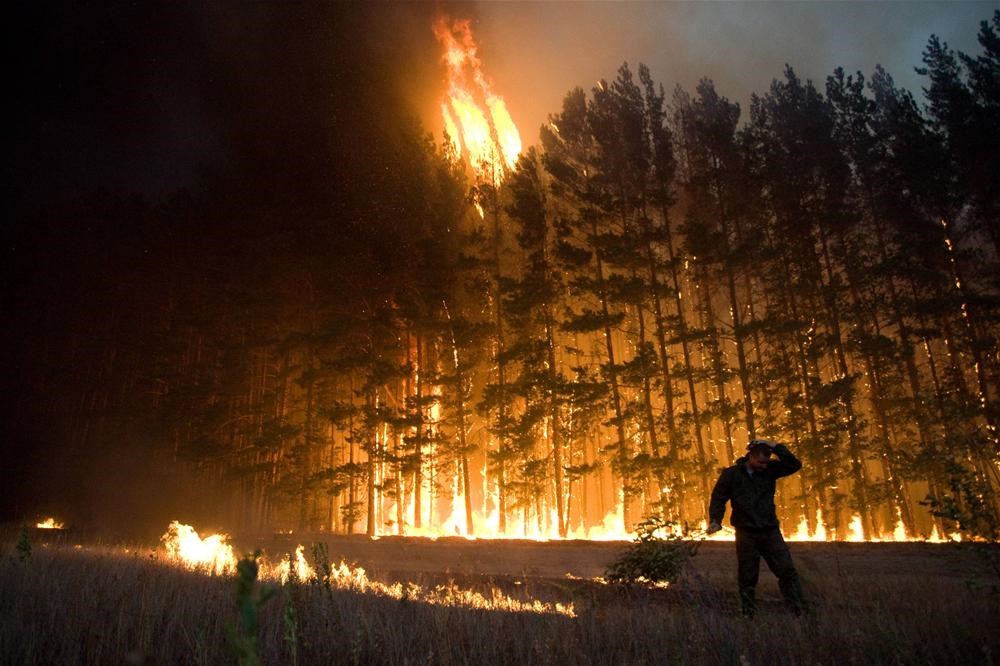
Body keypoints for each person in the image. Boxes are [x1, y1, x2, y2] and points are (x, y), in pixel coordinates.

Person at [706, 438, 806, 617]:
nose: (764, 466)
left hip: (769, 530)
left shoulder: (770, 471)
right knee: (747, 577)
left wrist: (776, 446)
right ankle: (748, 614)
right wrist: (715, 520)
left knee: (787, 571)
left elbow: (794, 465)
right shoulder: (732, 475)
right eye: (760, 462)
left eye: (766, 462)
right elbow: (718, 498)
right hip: (746, 533)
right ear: (750, 457)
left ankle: (799, 610)